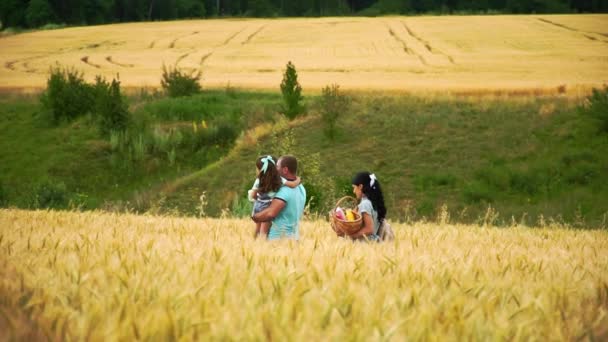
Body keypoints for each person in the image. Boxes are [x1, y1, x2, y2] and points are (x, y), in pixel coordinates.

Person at [252, 155, 306, 240]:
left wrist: (255, 217)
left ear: (285, 170)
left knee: (260, 233)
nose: (275, 169)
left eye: (277, 166)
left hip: (277, 239)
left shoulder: (283, 190)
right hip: (294, 237)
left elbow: (270, 213)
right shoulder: (301, 188)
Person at [334, 171, 387, 241]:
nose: (353, 191)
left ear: (360, 187)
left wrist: (352, 236)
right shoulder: (371, 202)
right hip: (371, 243)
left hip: (365, 243)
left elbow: (369, 229)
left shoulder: (365, 204)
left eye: (354, 187)